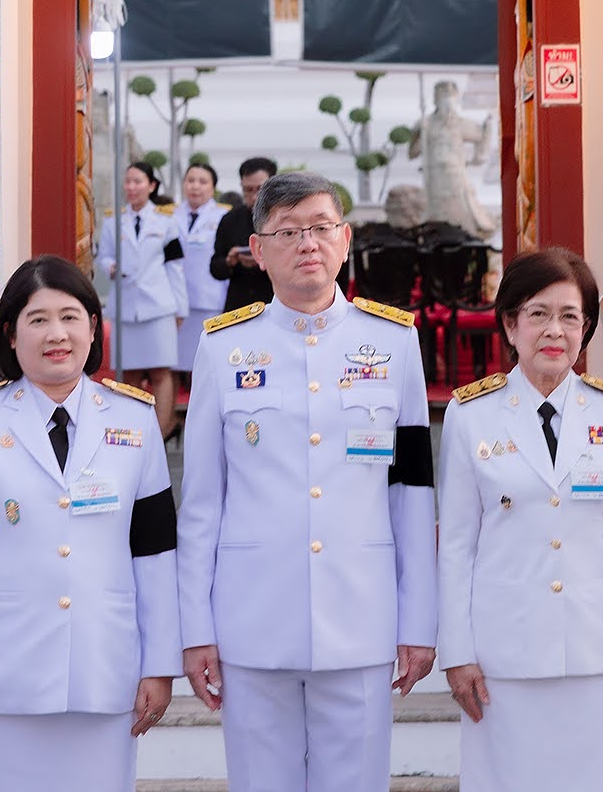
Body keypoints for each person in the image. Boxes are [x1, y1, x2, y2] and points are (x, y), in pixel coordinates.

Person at [180, 171, 437, 792]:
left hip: (362, 614)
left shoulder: (393, 342)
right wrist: (195, 629)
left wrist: (419, 621)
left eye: (321, 228)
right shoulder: (223, 349)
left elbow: (412, 493)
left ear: (346, 240)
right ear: (259, 250)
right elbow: (201, 503)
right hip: (252, 616)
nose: (308, 244)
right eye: (288, 232)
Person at [0, 255, 178, 787]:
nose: (56, 333)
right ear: (11, 336)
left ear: (94, 328)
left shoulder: (134, 421)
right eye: (37, 319)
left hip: (105, 665)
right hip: (3, 671)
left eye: (71, 316)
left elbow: (155, 552)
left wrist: (159, 663)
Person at [437, 246, 603, 792]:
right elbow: (456, 546)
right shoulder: (470, 415)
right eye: (538, 314)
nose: (554, 330)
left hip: (599, 647)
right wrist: (457, 651)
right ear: (510, 324)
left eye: (570, 316)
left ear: (586, 329)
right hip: (503, 653)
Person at [97, 161, 186, 439]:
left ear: (151, 185)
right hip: (126, 307)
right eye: (128, 182)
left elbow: (175, 267)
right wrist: (110, 266)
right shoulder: (113, 222)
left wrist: (180, 309)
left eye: (138, 181)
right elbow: (103, 256)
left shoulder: (166, 222)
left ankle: (161, 431)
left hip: (158, 306)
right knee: (131, 375)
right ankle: (135, 433)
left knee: (160, 372)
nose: (132, 187)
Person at [172, 162, 230, 372]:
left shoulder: (223, 217)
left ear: (213, 187)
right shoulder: (170, 216)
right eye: (190, 181)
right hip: (176, 302)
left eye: (202, 182)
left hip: (210, 299)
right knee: (175, 365)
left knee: (209, 364)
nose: (195, 186)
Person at [210, 156, 277, 315]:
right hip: (238, 307)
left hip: (275, 304)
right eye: (248, 190)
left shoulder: (286, 219)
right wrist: (229, 262)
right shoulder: (230, 219)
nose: (254, 197)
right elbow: (215, 268)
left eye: (260, 189)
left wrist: (265, 260)